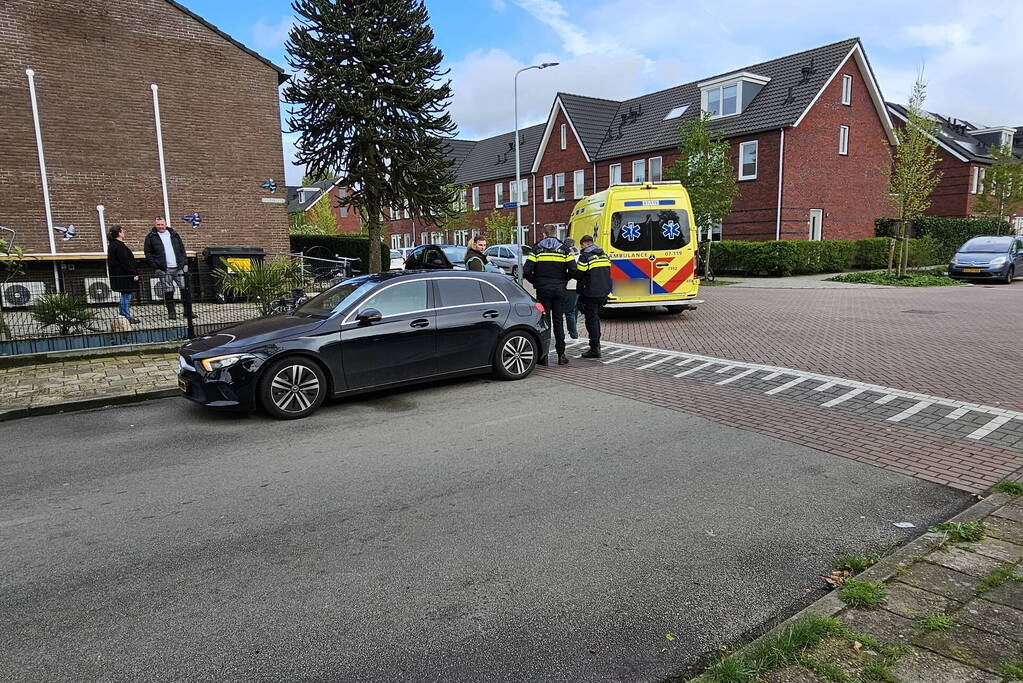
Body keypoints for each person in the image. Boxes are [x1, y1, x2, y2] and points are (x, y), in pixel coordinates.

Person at [524, 226, 576, 365]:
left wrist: (536, 282)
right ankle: (561, 355)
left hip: (543, 290)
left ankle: (544, 357)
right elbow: (573, 270)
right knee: (558, 322)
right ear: (555, 233)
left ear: (544, 234)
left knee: (544, 322)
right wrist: (563, 280)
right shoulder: (565, 250)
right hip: (559, 290)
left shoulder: (536, 250)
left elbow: (527, 271)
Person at [143, 216, 188, 320]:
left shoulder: (174, 234)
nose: (160, 226)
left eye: (162, 224)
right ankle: (171, 313)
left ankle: (187, 312)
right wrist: (155, 266)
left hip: (178, 267)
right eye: (158, 225)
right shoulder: (150, 237)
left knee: (184, 288)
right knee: (168, 291)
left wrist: (184, 263)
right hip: (164, 269)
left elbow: (182, 249)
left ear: (165, 224)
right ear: (155, 225)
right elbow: (148, 253)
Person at [575, 234, 612, 359]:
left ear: (585, 244)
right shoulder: (603, 254)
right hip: (603, 292)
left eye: (582, 246)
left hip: (591, 293)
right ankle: (597, 345)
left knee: (591, 320)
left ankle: (595, 348)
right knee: (595, 318)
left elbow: (579, 274)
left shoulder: (585, 256)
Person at [106, 225, 140, 324]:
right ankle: (126, 316)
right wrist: (133, 273)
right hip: (124, 276)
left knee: (124, 295)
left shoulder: (112, 245)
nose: (124, 232)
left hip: (118, 275)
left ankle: (123, 315)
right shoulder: (119, 246)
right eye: (122, 231)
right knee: (126, 295)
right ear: (119, 233)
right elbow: (125, 261)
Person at [562, 237, 580, 340]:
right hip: (578, 286)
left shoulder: (567, 254)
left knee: (569, 312)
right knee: (575, 310)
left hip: (570, 286)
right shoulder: (579, 254)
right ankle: (573, 332)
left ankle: (573, 335)